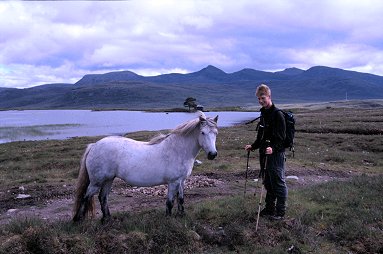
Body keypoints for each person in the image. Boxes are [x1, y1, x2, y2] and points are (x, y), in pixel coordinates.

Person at [245, 84, 287, 220]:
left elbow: (282, 139)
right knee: (268, 182)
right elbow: (261, 137)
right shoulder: (263, 113)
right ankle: (269, 209)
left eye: (262, 98)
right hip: (264, 154)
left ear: (269, 96)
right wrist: (253, 146)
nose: (260, 101)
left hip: (276, 155)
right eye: (258, 99)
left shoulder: (278, 115)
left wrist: (273, 148)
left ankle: (280, 213)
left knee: (278, 182)